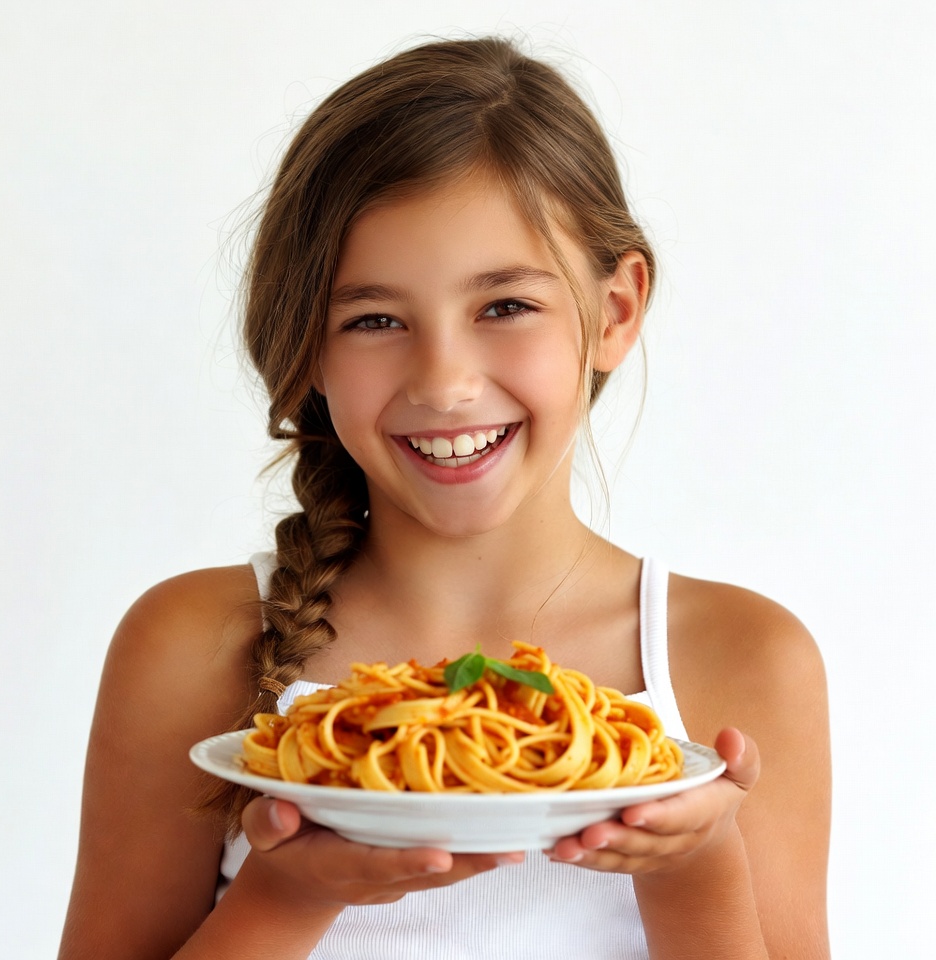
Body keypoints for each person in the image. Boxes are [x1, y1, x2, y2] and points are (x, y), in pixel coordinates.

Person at [58, 36, 831, 960]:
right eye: (375, 320)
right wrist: (288, 890)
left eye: (504, 306)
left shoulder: (745, 655)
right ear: (306, 347)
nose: (446, 382)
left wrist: (695, 866)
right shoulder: (191, 642)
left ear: (615, 311)